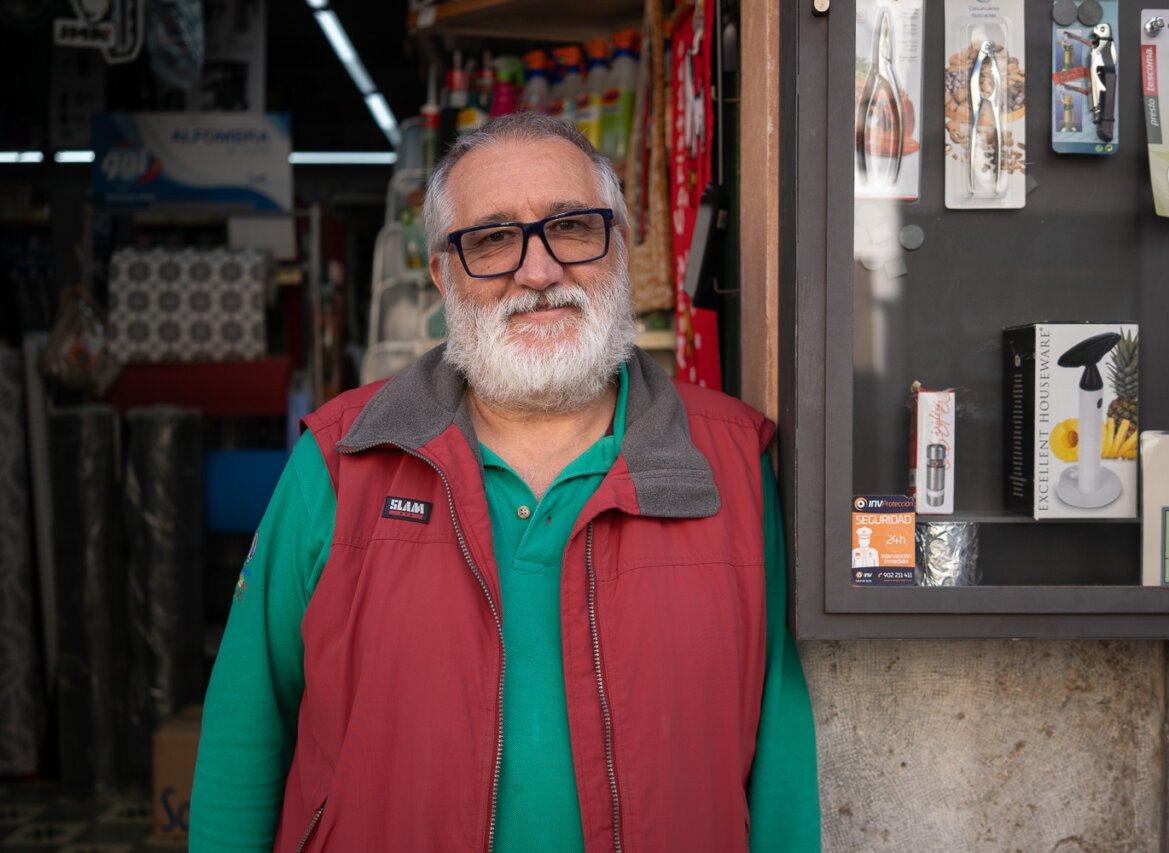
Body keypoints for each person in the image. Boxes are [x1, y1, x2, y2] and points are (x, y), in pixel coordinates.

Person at [189, 112, 819, 852]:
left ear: (620, 244)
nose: (540, 271)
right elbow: (245, 729)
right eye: (491, 240)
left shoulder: (732, 464)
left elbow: (779, 757)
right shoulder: (342, 460)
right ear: (440, 274)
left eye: (572, 227)